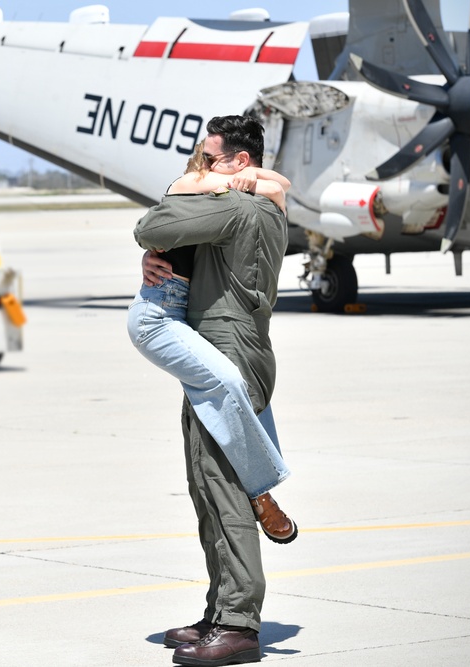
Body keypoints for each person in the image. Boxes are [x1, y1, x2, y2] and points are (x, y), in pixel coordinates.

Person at [131, 115, 290, 666]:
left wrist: (156, 237)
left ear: (240, 162)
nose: (201, 166)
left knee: (222, 490)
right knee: (207, 485)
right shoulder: (262, 205)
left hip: (227, 350)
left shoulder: (238, 205)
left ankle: (239, 623)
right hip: (230, 347)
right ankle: (219, 609)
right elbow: (173, 246)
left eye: (209, 158)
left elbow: (154, 223)